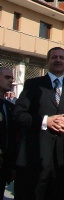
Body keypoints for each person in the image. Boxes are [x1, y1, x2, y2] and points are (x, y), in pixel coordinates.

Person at [13, 47, 64, 200]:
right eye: (54, 57)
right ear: (47, 62)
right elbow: (19, 115)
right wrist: (46, 121)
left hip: (62, 160)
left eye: (61, 57)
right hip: (34, 157)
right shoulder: (33, 85)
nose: (58, 60)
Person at [0, 67, 16, 199]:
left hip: (3, 166)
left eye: (12, 78)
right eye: (7, 77)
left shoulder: (10, 107)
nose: (11, 80)